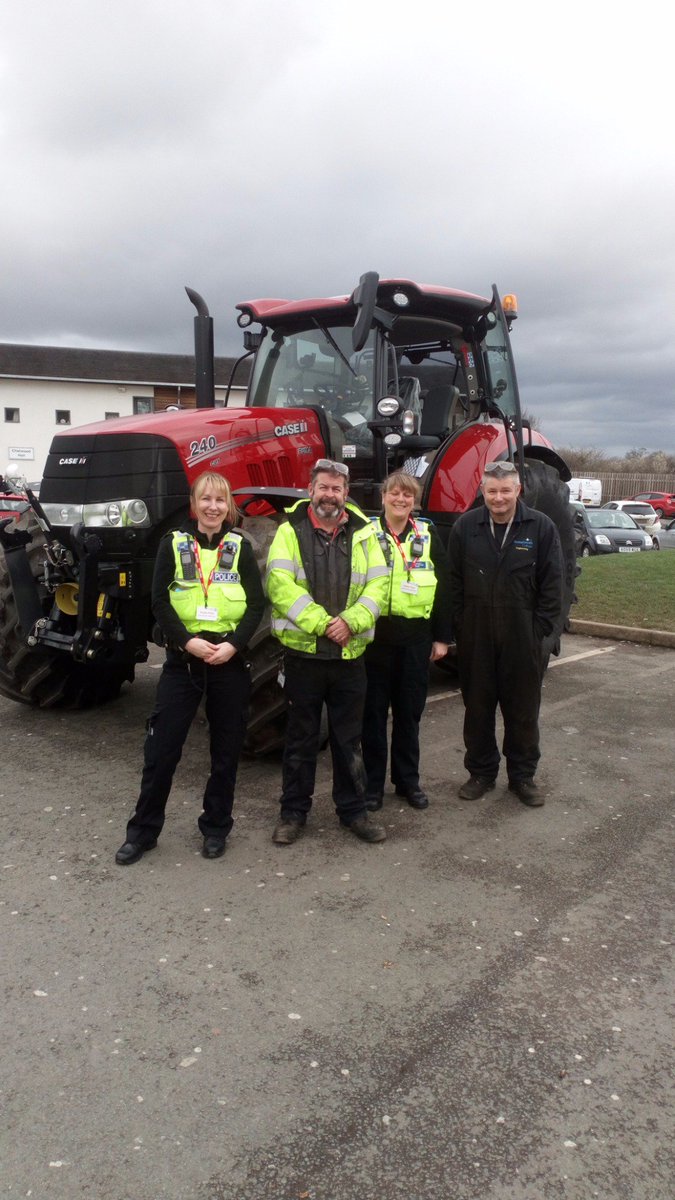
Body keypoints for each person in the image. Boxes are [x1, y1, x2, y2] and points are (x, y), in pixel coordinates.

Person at [115, 471, 265, 864]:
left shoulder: (240, 547)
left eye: (220, 500)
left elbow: (255, 605)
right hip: (183, 663)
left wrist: (233, 645)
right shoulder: (173, 544)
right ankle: (143, 832)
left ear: (228, 505)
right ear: (194, 504)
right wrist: (186, 641)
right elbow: (159, 603)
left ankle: (216, 828)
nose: (213, 507)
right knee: (161, 752)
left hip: (228, 664)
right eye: (206, 499)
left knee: (225, 754)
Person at [266, 458, 389, 844]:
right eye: (324, 487)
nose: (330, 495)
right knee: (300, 741)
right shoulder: (290, 530)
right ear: (311, 490)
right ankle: (293, 813)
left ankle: (354, 812)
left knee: (349, 741)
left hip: (349, 657)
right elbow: (279, 584)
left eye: (337, 489)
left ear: (345, 493)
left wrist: (349, 622)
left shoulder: (365, 532)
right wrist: (323, 624)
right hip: (305, 657)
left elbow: (379, 584)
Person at [448, 461, 563, 807]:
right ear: (483, 491)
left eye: (505, 490)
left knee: (523, 712)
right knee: (478, 709)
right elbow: (452, 583)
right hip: (477, 637)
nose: (499, 498)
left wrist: (538, 633)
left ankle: (522, 777)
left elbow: (553, 585)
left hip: (522, 637)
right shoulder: (465, 528)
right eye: (492, 491)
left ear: (518, 491)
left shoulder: (540, 527)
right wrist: (462, 628)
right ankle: (481, 773)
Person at [362, 472, 452, 812]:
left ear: (414, 502)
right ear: (383, 497)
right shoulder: (366, 535)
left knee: (409, 715)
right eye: (395, 494)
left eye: (408, 496)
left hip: (415, 640)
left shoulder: (427, 536)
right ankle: (372, 786)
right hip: (374, 641)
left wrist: (443, 637)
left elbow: (443, 587)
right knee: (371, 717)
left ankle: (407, 782)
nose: (401, 500)